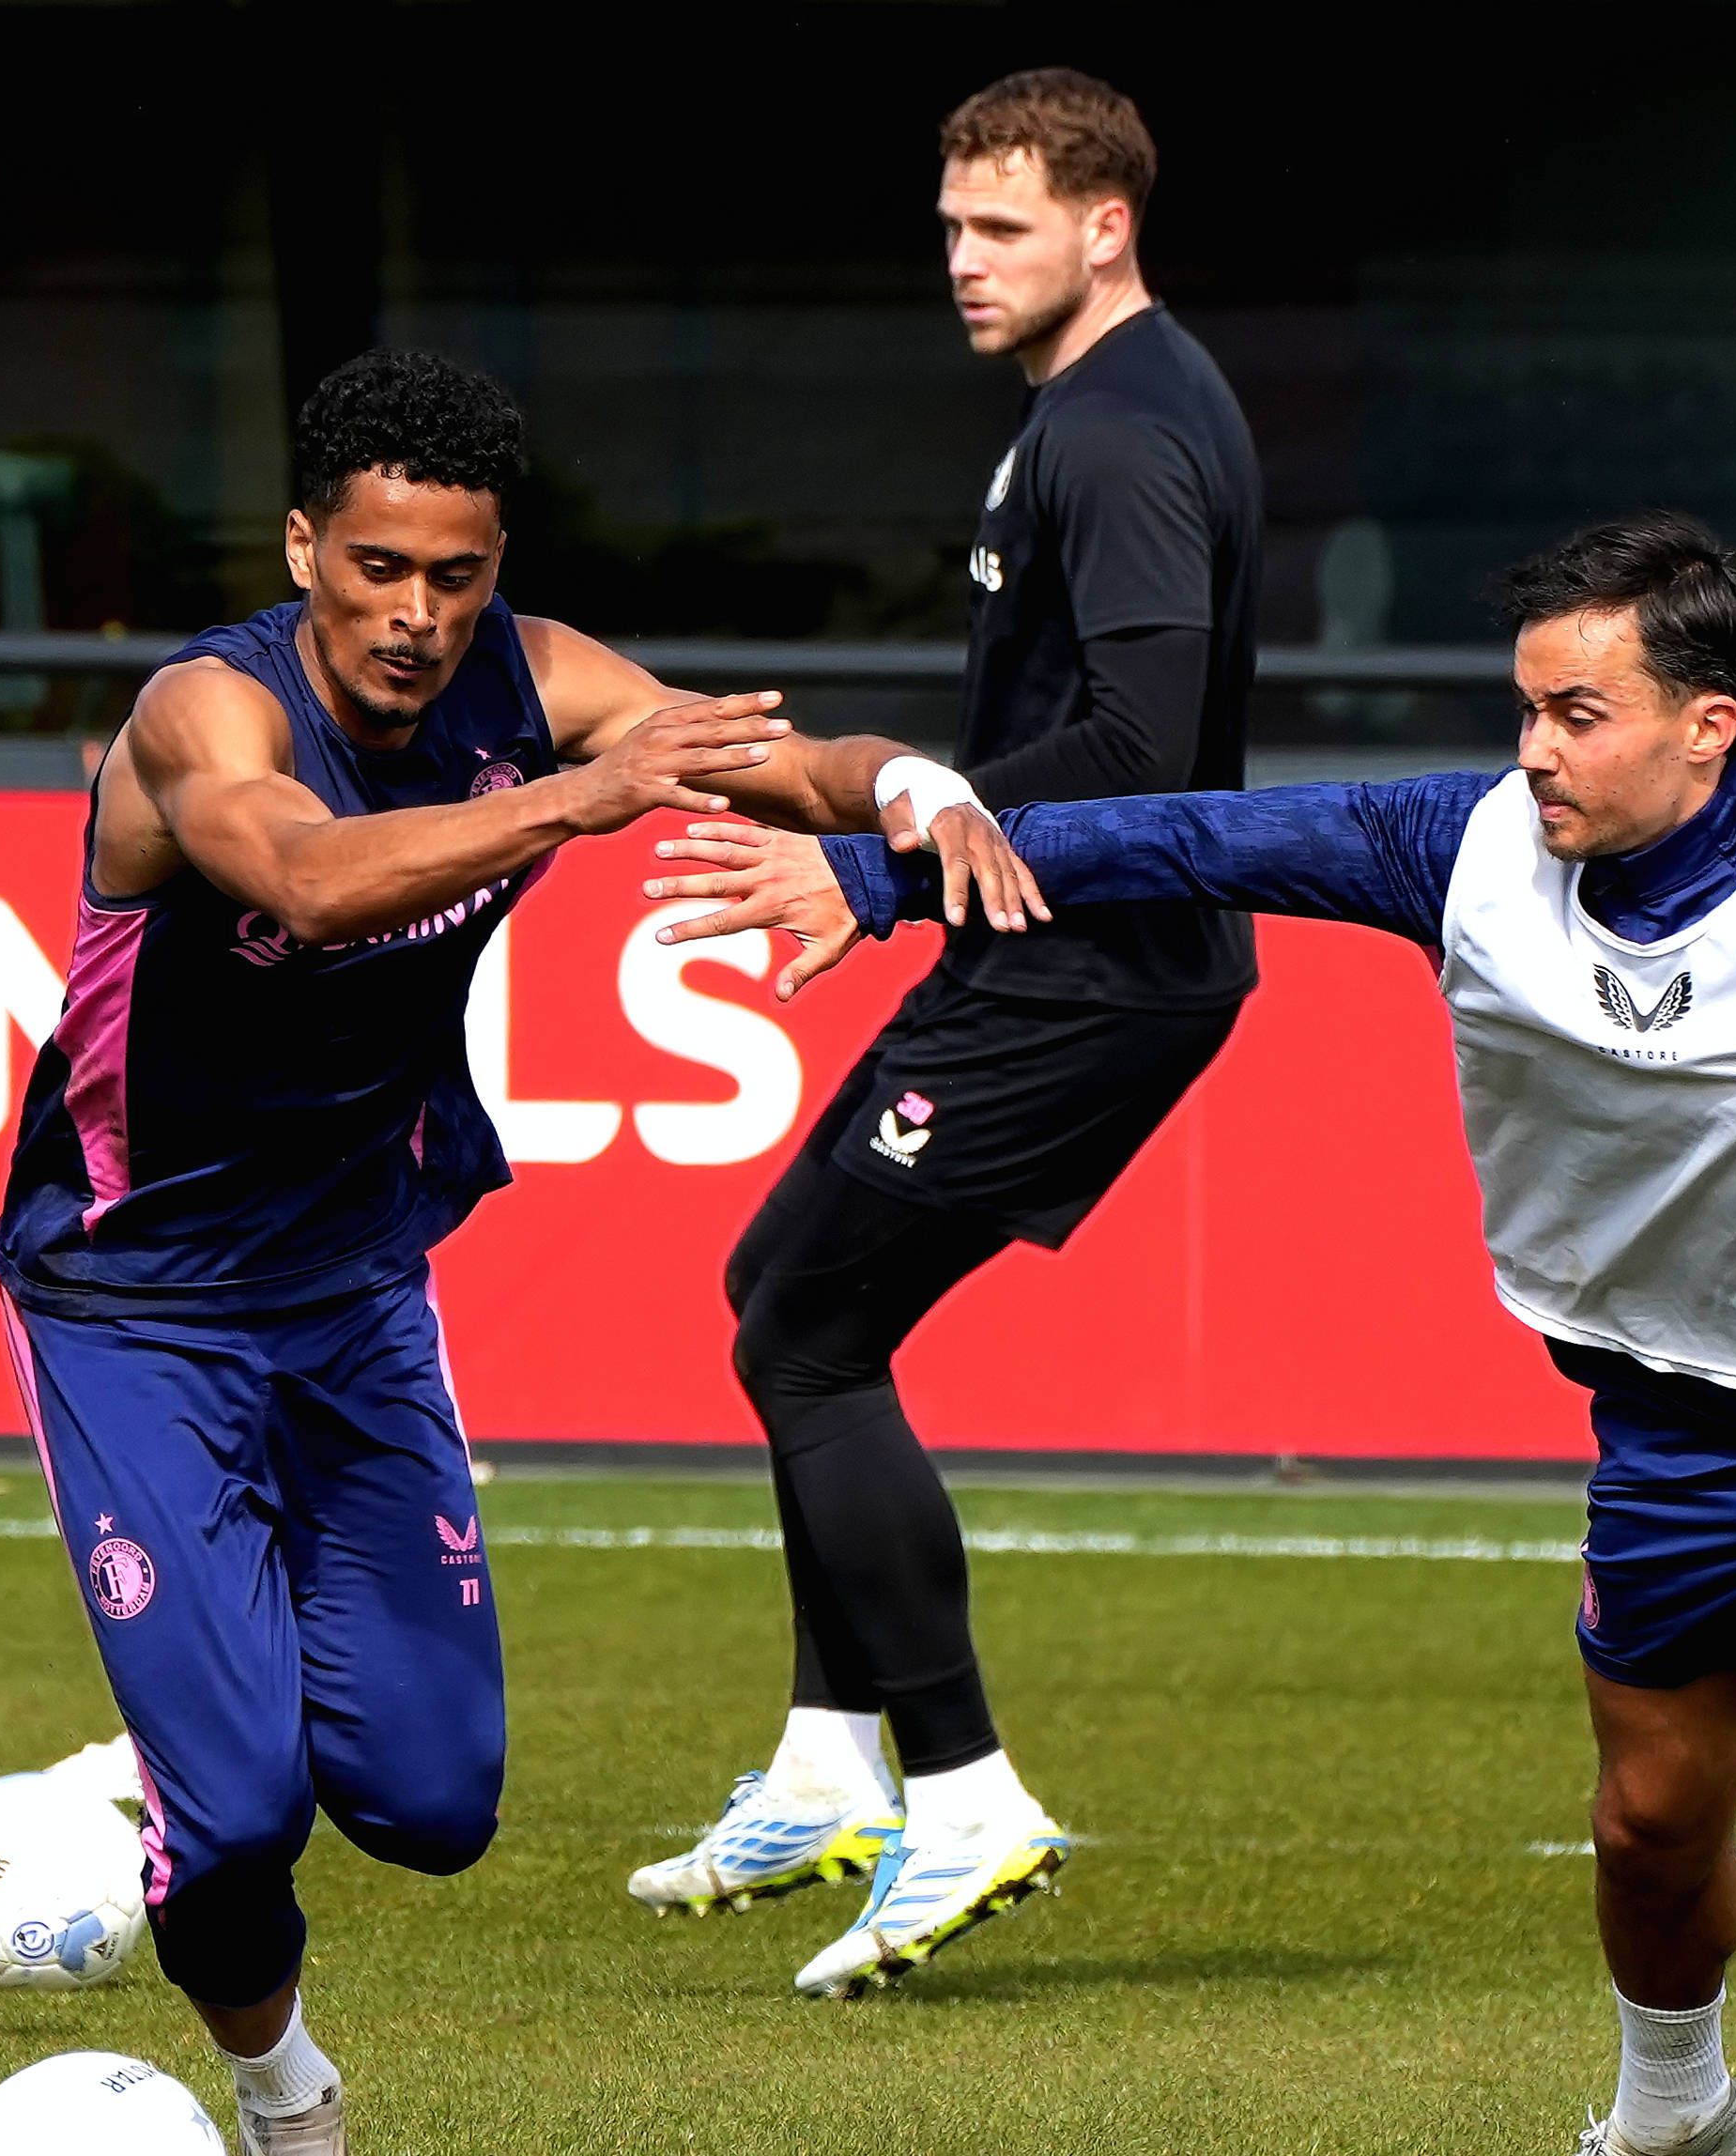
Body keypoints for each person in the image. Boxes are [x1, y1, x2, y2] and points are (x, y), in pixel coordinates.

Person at [652, 509, 1736, 2156]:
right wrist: (881, 881)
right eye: (1524, 708)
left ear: (1707, 723)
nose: (1533, 750)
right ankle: (1671, 2116)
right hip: (1671, 1428)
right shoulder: (1461, 846)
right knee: (1648, 1832)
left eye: (1578, 714)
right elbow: (1177, 836)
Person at [0, 349, 993, 2156]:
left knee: (433, 1804)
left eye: (453, 575)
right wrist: (573, 800)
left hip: (358, 1287)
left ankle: (195, 1717)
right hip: (130, 1303)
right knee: (232, 1836)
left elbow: (777, 759)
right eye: (374, 566)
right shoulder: (201, 710)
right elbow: (299, 871)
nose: (413, 614)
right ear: (302, 547)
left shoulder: (536, 681)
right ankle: (288, 2107)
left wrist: (913, 790)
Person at [620, 69, 1265, 2004]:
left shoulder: (1125, 427)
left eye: (1001, 230)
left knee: (806, 1328)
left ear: (1104, 227)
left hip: (1090, 963)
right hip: (1049, 945)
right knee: (780, 1288)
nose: (963, 265)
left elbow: (1140, 752)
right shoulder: (1082, 413)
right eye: (951, 229)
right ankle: (831, 1759)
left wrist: (889, 853)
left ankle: (964, 1788)